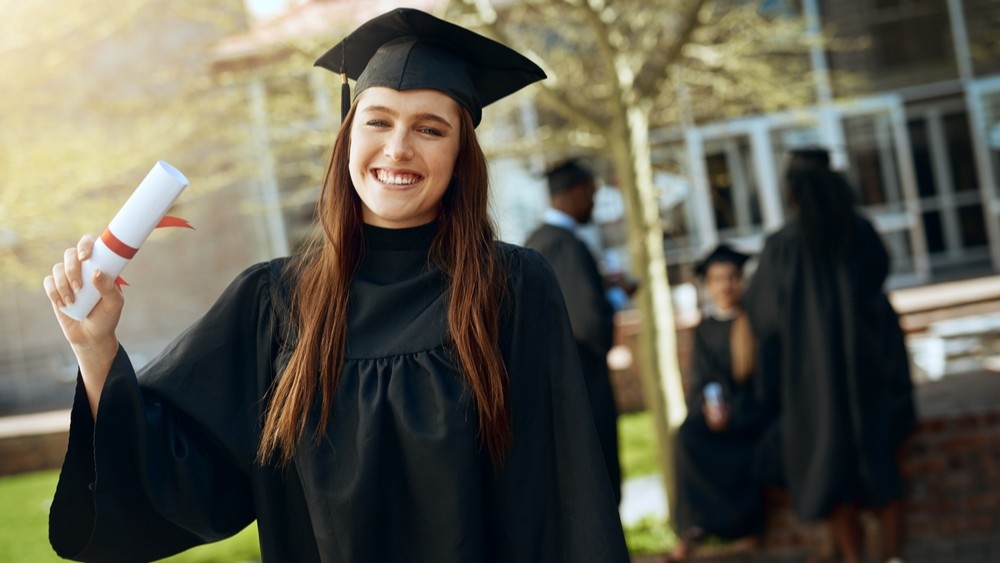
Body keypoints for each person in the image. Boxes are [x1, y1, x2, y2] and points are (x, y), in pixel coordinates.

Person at [42, 9, 630, 562]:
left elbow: (567, 490)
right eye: (378, 121)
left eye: (430, 128)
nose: (398, 148)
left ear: (460, 155)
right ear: (348, 136)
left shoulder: (514, 288)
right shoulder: (274, 302)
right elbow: (185, 476)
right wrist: (96, 348)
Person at [744, 148, 916, 563]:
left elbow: (764, 317)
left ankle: (854, 559)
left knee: (833, 473)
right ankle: (893, 557)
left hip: (812, 380)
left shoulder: (782, 246)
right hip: (870, 370)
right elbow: (878, 280)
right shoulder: (859, 232)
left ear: (793, 195)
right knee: (881, 469)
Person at [668, 244, 780, 561]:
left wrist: (734, 412)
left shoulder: (756, 325)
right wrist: (709, 406)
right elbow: (703, 379)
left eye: (731, 277)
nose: (725, 285)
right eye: (718, 279)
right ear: (708, 285)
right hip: (718, 419)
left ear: (740, 281)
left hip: (751, 419)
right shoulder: (705, 328)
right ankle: (692, 529)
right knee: (686, 436)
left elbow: (765, 385)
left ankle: (745, 528)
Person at [524, 159, 623, 505]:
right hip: (582, 376)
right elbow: (586, 320)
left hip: (551, 379)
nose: (594, 202)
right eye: (592, 194)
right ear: (577, 192)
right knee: (598, 479)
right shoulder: (565, 244)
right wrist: (616, 297)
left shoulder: (537, 240)